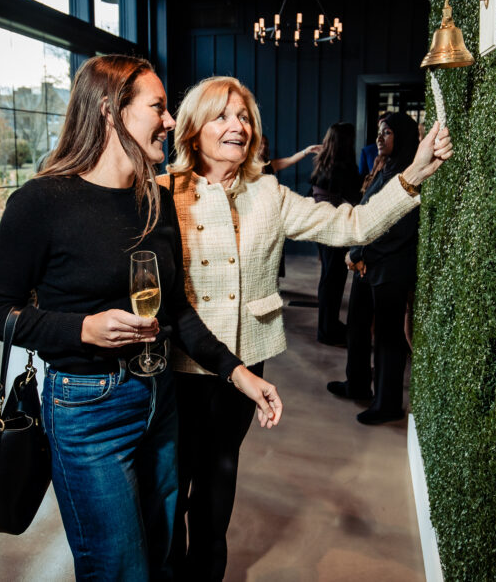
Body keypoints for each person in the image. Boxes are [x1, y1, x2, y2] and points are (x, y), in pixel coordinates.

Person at [0, 56, 283, 582]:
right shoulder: (41, 201)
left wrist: (239, 374)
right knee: (119, 567)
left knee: (161, 553)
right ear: (110, 110)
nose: (168, 121)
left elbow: (177, 310)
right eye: (158, 108)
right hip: (86, 408)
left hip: (158, 398)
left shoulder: (154, 200)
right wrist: (81, 329)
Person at [159, 76, 453, 580]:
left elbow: (352, 225)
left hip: (245, 359)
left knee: (217, 479)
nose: (239, 126)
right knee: (169, 486)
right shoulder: (162, 192)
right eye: (223, 116)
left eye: (245, 116)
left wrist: (412, 175)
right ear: (192, 129)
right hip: (178, 364)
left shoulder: (268, 192)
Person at [327, 111, 422, 425]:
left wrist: (362, 253)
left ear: (402, 137)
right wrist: (358, 251)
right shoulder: (387, 167)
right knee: (356, 325)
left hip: (389, 267)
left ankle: (387, 403)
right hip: (367, 262)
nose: (380, 138)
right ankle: (357, 383)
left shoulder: (409, 174)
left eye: (387, 133)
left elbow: (398, 227)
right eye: (380, 132)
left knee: (387, 338)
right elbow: (368, 211)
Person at [309, 122, 362, 345]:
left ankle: (327, 325)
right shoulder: (344, 167)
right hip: (334, 228)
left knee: (327, 279)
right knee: (334, 281)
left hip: (321, 225)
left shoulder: (322, 162)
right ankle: (327, 331)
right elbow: (355, 195)